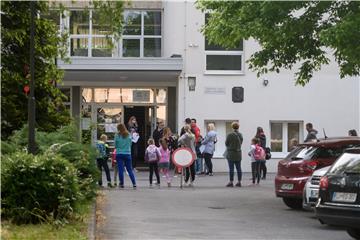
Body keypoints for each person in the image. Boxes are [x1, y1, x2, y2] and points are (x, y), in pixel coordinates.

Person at [115, 123, 137, 189]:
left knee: (121, 170)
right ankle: (134, 184)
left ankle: (121, 183)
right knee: (129, 169)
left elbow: (115, 145)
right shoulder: (128, 135)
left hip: (119, 154)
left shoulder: (117, 135)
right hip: (127, 154)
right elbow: (130, 144)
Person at [224, 121, 243, 187]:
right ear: (238, 127)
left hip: (231, 153)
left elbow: (226, 143)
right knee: (239, 168)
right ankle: (239, 181)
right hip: (238, 153)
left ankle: (231, 181)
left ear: (232, 127)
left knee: (231, 168)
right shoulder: (240, 135)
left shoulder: (229, 135)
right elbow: (241, 143)